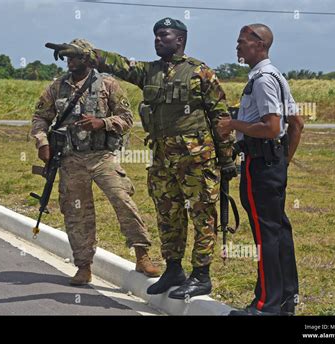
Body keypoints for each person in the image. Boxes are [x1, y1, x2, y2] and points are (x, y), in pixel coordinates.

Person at [47, 18, 236, 299]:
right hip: (162, 159)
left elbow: (221, 117)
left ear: (180, 40)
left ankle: (201, 275)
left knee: (202, 215)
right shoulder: (149, 72)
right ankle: (174, 269)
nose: (158, 40)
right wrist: (85, 53)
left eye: (164, 35)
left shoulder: (200, 73)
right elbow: (119, 64)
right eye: (156, 36)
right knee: (168, 215)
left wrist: (227, 159)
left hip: (195, 159)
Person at [31, 39, 161, 286]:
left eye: (74, 57)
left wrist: (102, 123)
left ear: (87, 59)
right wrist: (42, 142)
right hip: (71, 159)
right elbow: (40, 117)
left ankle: (142, 254)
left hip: (102, 156)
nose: (70, 62)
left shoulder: (108, 84)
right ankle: (83, 266)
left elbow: (127, 118)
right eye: (67, 58)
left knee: (122, 200)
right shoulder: (57, 87)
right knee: (76, 211)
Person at [217, 24, 304, 315]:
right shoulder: (276, 75)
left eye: (242, 42)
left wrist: (233, 124)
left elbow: (272, 126)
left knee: (264, 236)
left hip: (260, 164)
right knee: (278, 232)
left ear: (260, 44)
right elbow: (297, 124)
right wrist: (283, 162)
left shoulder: (262, 80)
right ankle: (285, 300)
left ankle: (266, 306)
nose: (237, 47)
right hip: (272, 164)